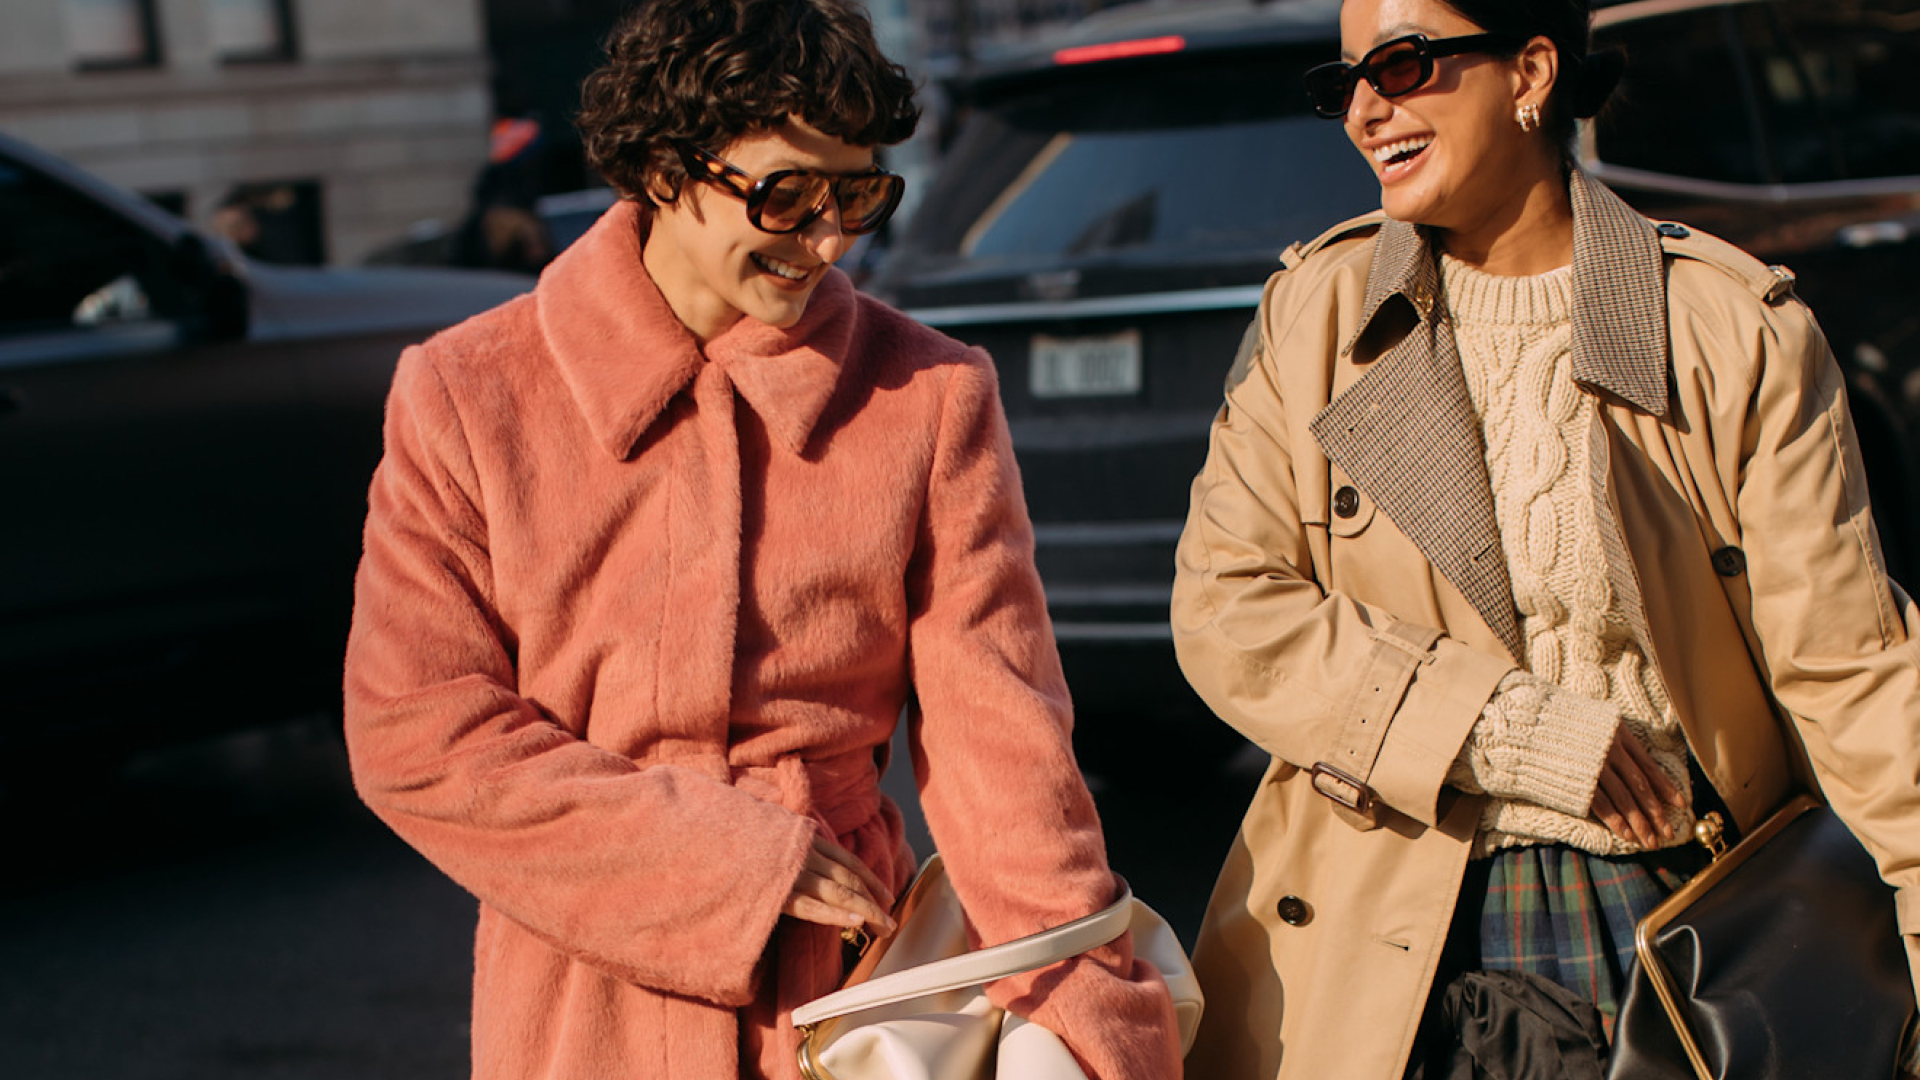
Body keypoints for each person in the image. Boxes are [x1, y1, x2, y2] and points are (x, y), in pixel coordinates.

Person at [340, 2, 1183, 1078]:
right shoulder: (469, 394)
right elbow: (418, 730)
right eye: (786, 194)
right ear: (661, 166)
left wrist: (1087, 1015)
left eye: (860, 195)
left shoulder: (925, 395)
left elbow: (1001, 744)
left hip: (851, 1002)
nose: (827, 240)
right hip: (583, 997)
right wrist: (735, 865)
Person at [1169, 0, 1920, 1078]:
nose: (1366, 111)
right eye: (1345, 84)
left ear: (1530, 72)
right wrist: (1506, 726)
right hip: (1378, 931)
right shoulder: (1319, 315)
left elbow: (1850, 667)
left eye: (1405, 63)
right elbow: (1226, 606)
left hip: (1673, 925)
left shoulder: (1724, 326)